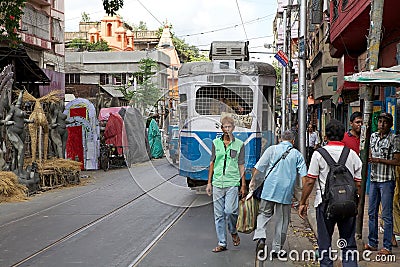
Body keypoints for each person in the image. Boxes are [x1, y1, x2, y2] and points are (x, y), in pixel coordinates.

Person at [298, 119, 362, 267]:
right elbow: (358, 183)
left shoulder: (319, 154)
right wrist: (356, 203)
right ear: (342, 136)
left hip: (324, 204)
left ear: (326, 136)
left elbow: (309, 181)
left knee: (324, 244)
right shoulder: (352, 154)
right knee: (348, 243)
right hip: (348, 204)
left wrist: (303, 202)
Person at [249, 129, 307, 258]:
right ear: (293, 141)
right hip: (285, 193)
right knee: (282, 221)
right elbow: (305, 178)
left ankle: (261, 237)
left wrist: (252, 182)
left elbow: (258, 168)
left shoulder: (271, 150)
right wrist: (304, 198)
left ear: (280, 139)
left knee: (263, 214)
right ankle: (276, 250)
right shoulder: (297, 155)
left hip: (268, 189)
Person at [206, 116, 246, 253]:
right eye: (225, 127)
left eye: (230, 127)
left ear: (233, 128)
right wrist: (209, 183)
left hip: (232, 182)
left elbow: (241, 165)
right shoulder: (215, 143)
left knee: (230, 211)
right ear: (221, 128)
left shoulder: (240, 144)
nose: (227, 129)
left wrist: (243, 184)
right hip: (217, 182)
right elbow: (212, 163)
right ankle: (222, 242)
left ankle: (233, 231)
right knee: (218, 215)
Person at [365, 112, 400, 255]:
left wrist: (379, 160)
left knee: (386, 214)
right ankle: (372, 242)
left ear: (390, 124)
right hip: (373, 179)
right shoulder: (373, 137)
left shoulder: (394, 138)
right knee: (371, 212)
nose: (382, 124)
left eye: (385, 122)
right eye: (380, 121)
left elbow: (397, 161)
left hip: (386, 180)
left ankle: (387, 246)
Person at [1, 90, 33, 176]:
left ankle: (16, 169)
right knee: (21, 148)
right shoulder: (12, 108)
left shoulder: (18, 109)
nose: (20, 102)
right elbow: (6, 119)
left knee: (16, 151)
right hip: (13, 131)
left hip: (21, 131)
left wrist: (30, 121)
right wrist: (8, 122)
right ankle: (20, 171)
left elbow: (22, 120)